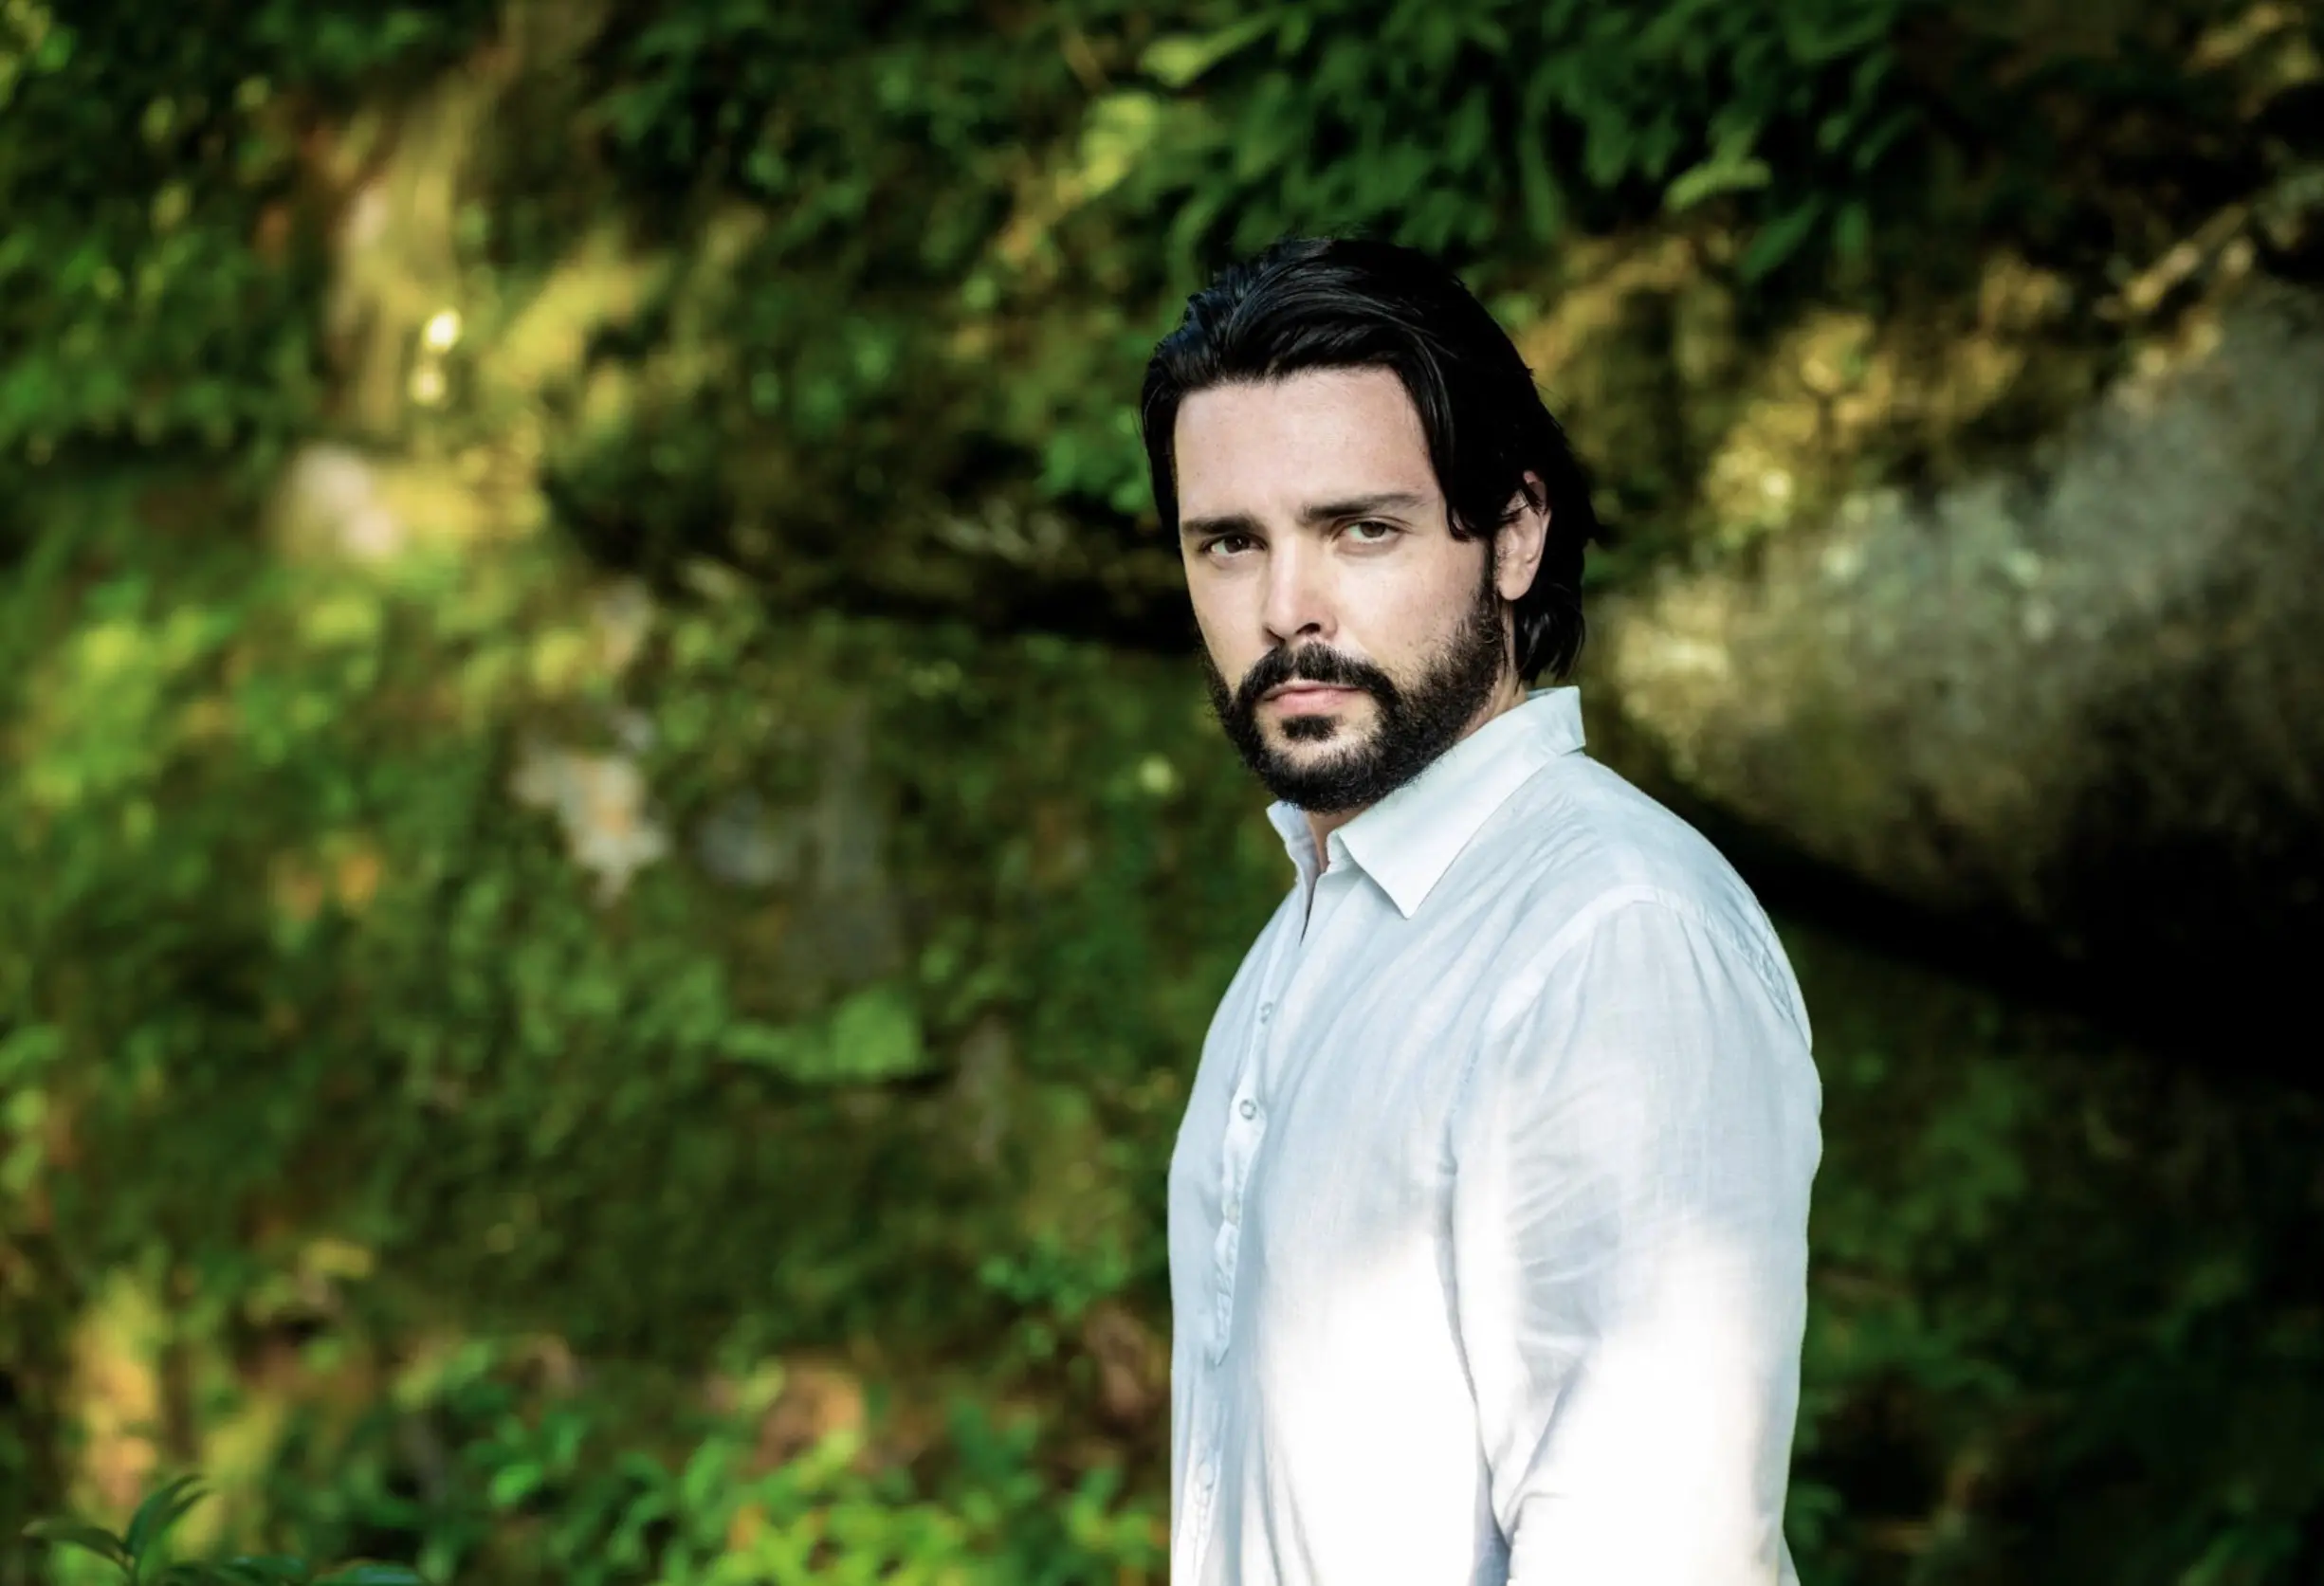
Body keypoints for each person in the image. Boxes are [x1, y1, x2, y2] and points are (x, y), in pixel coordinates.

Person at [1142, 236, 1823, 1585]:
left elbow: (1650, 1551)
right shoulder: (1310, 937)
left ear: (1511, 535)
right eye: (1230, 543)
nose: (1289, 610)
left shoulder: (1606, 939)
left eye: (1360, 528)